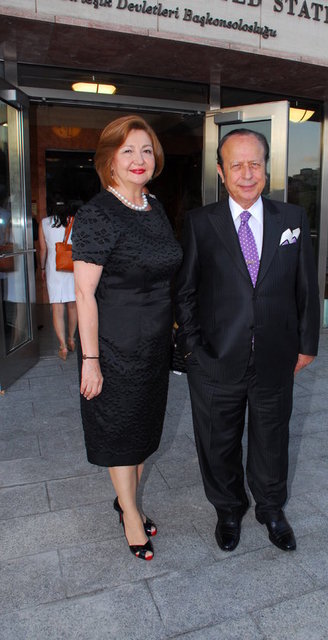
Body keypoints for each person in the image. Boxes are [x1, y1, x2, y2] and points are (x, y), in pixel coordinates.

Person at [174, 129, 320, 553]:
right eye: (236, 165)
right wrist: (193, 349)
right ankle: (228, 509)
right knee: (217, 441)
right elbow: (184, 291)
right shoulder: (201, 223)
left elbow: (306, 286)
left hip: (276, 355)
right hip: (215, 357)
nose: (247, 173)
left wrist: (307, 344)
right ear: (221, 172)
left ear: (266, 168)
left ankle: (271, 509)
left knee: (272, 439)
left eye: (255, 163)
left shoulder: (291, 219)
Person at [72, 115, 182, 561]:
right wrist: (90, 360)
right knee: (120, 431)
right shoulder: (97, 214)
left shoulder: (154, 207)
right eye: (128, 151)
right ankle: (131, 514)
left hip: (154, 344)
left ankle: (126, 500)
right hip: (114, 345)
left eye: (147, 150)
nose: (139, 159)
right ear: (110, 160)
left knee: (142, 428)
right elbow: (84, 293)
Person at [38, 204, 77, 360]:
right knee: (73, 305)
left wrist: (42, 268)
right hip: (71, 266)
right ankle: (71, 339)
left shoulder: (44, 223)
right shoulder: (74, 221)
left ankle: (63, 346)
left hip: (53, 267)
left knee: (57, 308)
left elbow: (43, 249)